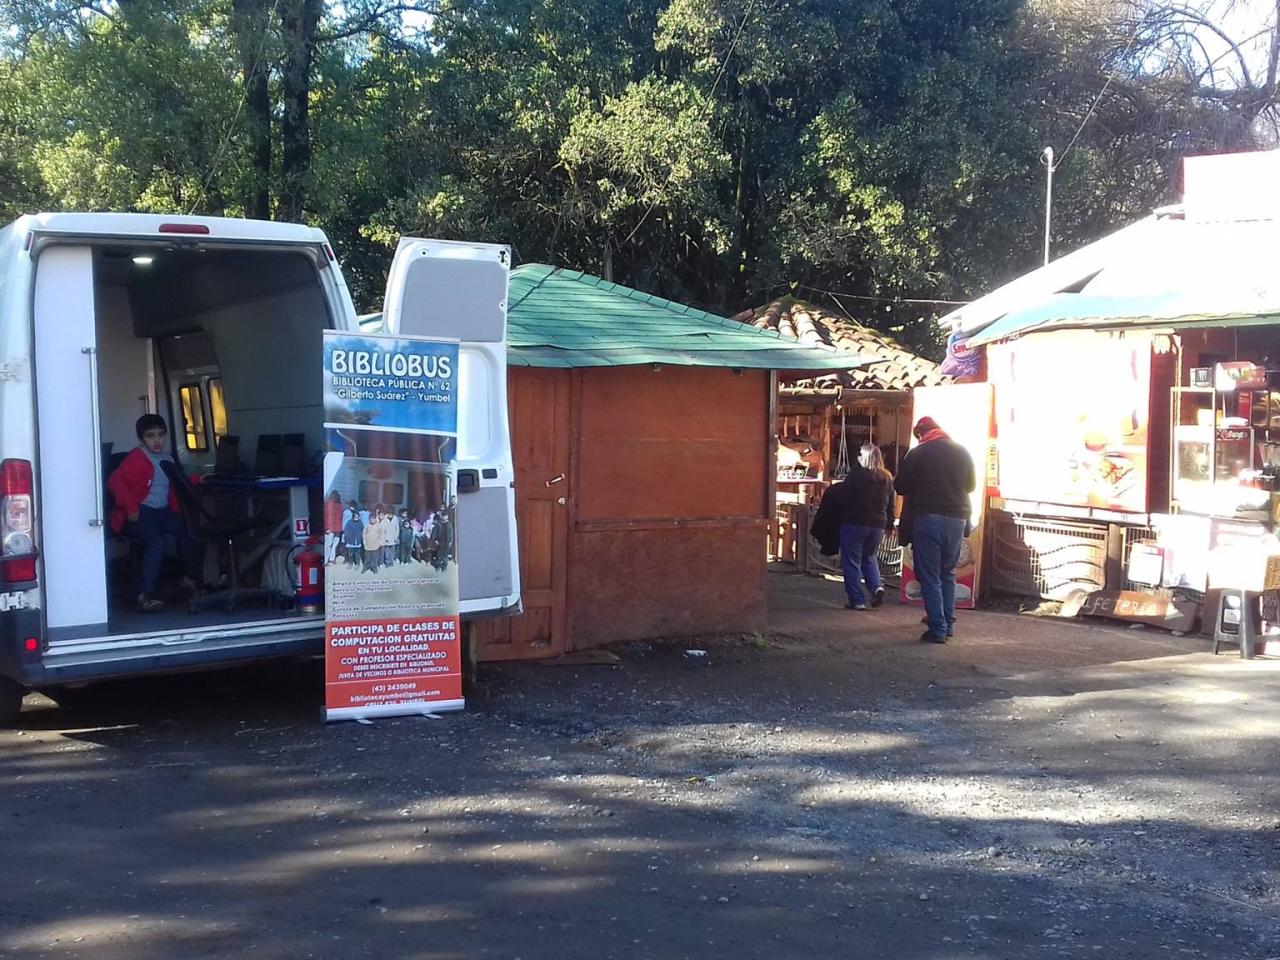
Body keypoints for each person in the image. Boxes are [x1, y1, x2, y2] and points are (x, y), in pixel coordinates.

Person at [107, 414, 203, 613]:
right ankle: (145, 593)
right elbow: (116, 481)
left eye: (161, 435)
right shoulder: (137, 458)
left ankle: (189, 578)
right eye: (151, 436)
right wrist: (131, 508)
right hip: (143, 511)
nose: (157, 440)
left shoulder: (167, 458)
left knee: (191, 532)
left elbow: (179, 481)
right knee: (156, 542)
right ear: (141, 439)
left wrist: (199, 479)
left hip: (163, 511)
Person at [894, 416, 976, 643]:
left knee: (930, 576)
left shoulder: (918, 453)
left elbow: (900, 486)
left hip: (929, 518)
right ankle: (948, 624)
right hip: (958, 519)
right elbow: (970, 485)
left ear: (920, 434)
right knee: (947, 573)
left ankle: (937, 628)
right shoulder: (961, 451)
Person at [812, 444, 896, 610]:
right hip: (878, 524)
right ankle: (876, 587)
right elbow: (890, 505)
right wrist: (890, 524)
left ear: (862, 458)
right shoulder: (887, 478)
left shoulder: (854, 477)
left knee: (851, 562)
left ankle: (856, 600)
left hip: (854, 523)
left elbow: (844, 499)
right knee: (869, 557)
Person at [323, 491, 343, 564]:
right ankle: (326, 560)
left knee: (334, 545)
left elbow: (341, 517)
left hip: (337, 528)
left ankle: (331, 559)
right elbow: (325, 517)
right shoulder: (327, 504)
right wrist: (326, 528)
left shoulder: (339, 505)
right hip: (331, 528)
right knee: (328, 545)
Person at [342, 502, 364, 568]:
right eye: (355, 517)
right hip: (350, 541)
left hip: (358, 541)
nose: (356, 518)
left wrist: (361, 537)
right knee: (350, 554)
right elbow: (346, 530)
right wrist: (348, 537)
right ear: (353, 517)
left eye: (357, 517)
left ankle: (357, 564)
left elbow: (362, 530)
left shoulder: (360, 522)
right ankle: (350, 563)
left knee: (357, 554)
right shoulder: (349, 522)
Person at [363, 506, 383, 572]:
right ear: (369, 519)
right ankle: (366, 567)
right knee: (367, 558)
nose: (372, 520)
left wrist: (379, 543)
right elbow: (364, 534)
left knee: (375, 558)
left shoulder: (379, 525)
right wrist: (364, 543)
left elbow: (381, 535)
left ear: (375, 519)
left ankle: (374, 568)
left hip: (375, 546)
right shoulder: (367, 525)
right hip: (368, 546)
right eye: (371, 519)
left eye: (373, 519)